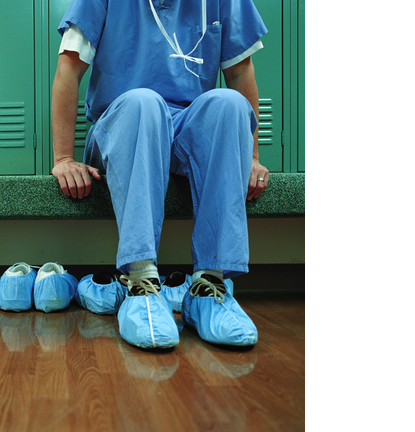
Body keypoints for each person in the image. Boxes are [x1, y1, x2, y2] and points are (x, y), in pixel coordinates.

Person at [51, 0, 268, 348]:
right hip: (122, 124)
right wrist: (64, 158)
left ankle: (209, 287)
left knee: (229, 105)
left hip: (186, 125)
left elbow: (241, 73)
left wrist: (251, 156)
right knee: (144, 102)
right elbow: (68, 69)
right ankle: (141, 284)